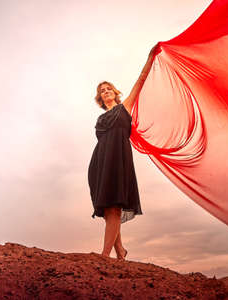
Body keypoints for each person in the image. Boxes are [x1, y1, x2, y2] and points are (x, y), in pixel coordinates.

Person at [88, 44, 159, 260]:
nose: (106, 91)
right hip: (100, 163)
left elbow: (140, 81)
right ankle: (120, 251)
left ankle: (105, 255)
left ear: (115, 93)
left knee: (115, 208)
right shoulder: (100, 118)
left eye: (109, 88)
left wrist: (150, 58)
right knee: (108, 209)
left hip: (119, 161)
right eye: (102, 91)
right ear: (100, 99)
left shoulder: (125, 108)